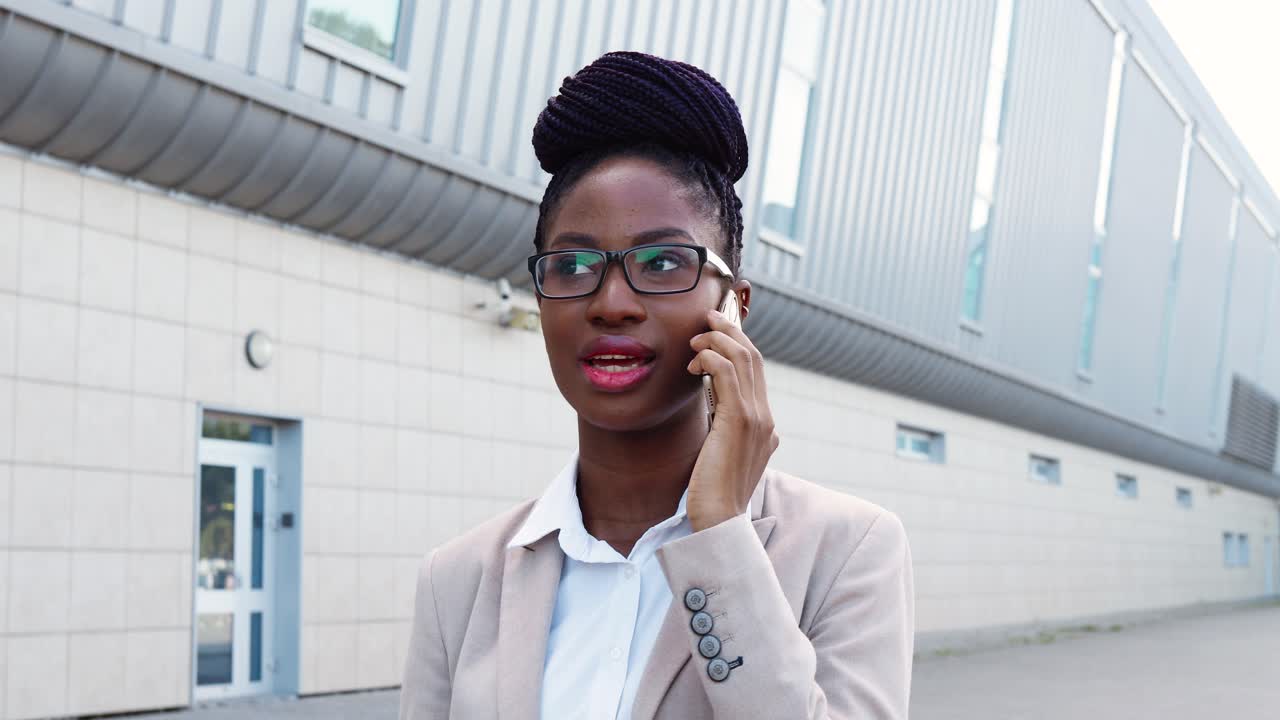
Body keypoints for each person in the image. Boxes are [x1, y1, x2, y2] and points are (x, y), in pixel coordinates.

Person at [400, 50, 914, 720]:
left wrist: (722, 535)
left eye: (664, 260)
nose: (611, 302)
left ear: (736, 307)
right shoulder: (459, 577)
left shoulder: (847, 550)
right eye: (574, 263)